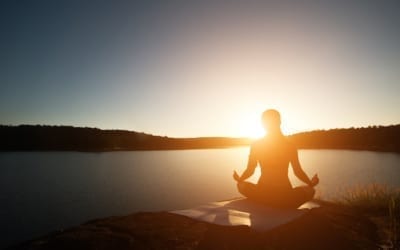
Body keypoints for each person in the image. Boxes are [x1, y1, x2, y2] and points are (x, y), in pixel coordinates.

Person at [233, 109, 319, 208]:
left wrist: (239, 179)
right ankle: (282, 204)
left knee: (240, 185)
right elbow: (297, 171)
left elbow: (250, 170)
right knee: (310, 190)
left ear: (263, 124)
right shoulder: (290, 145)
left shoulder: (256, 145)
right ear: (279, 122)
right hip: (284, 196)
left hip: (262, 193)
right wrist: (310, 183)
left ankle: (264, 201)